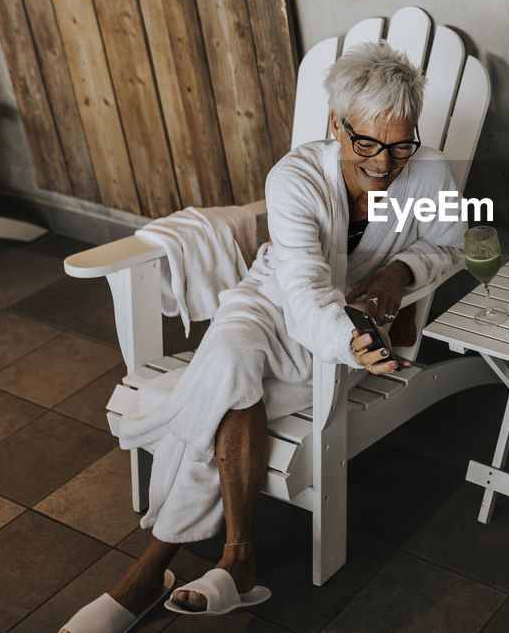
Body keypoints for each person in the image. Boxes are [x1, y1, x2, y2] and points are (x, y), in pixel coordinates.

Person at [63, 42, 464, 632]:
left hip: (340, 331)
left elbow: (451, 246)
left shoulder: (428, 173)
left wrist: (396, 272)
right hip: (279, 303)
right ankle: (229, 563)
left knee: (220, 388)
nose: (386, 161)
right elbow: (301, 292)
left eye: (401, 144)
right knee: (227, 356)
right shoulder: (296, 178)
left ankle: (153, 572)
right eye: (367, 144)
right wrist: (351, 341)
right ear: (336, 124)